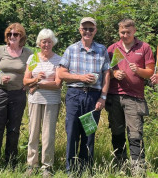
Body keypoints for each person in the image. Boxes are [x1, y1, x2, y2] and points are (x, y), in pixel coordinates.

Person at [58, 17, 110, 175]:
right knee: (72, 132)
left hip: (93, 97)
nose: (88, 32)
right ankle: (71, 171)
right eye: (85, 28)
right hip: (75, 95)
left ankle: (86, 169)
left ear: (95, 31)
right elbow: (60, 73)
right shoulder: (71, 49)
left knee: (88, 134)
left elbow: (107, 74)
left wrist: (103, 97)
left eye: (91, 29)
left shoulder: (102, 50)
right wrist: (80, 77)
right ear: (80, 30)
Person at [105, 18, 155, 175]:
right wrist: (114, 73)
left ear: (134, 31)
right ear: (118, 32)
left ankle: (138, 169)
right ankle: (120, 165)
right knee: (117, 132)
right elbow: (105, 72)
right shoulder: (113, 48)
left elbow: (150, 72)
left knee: (135, 133)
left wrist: (138, 70)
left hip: (135, 97)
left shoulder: (144, 48)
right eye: (122, 32)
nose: (124, 35)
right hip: (114, 96)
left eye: (128, 32)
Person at [0, 23, 32, 169]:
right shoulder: (0, 50)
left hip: (18, 95)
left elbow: (36, 72)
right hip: (0, 93)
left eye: (16, 34)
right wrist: (0, 79)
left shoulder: (29, 53)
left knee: (14, 129)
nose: (12, 37)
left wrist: (30, 84)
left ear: (21, 37)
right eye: (9, 34)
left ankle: (11, 162)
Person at [23, 29, 62, 177]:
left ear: (53, 43)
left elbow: (58, 84)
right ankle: (31, 165)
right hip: (34, 100)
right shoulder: (33, 58)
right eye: (44, 41)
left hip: (52, 101)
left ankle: (47, 166)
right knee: (33, 132)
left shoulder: (58, 59)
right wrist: (35, 80)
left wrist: (38, 85)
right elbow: (25, 81)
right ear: (39, 43)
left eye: (49, 41)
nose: (46, 44)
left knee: (48, 134)